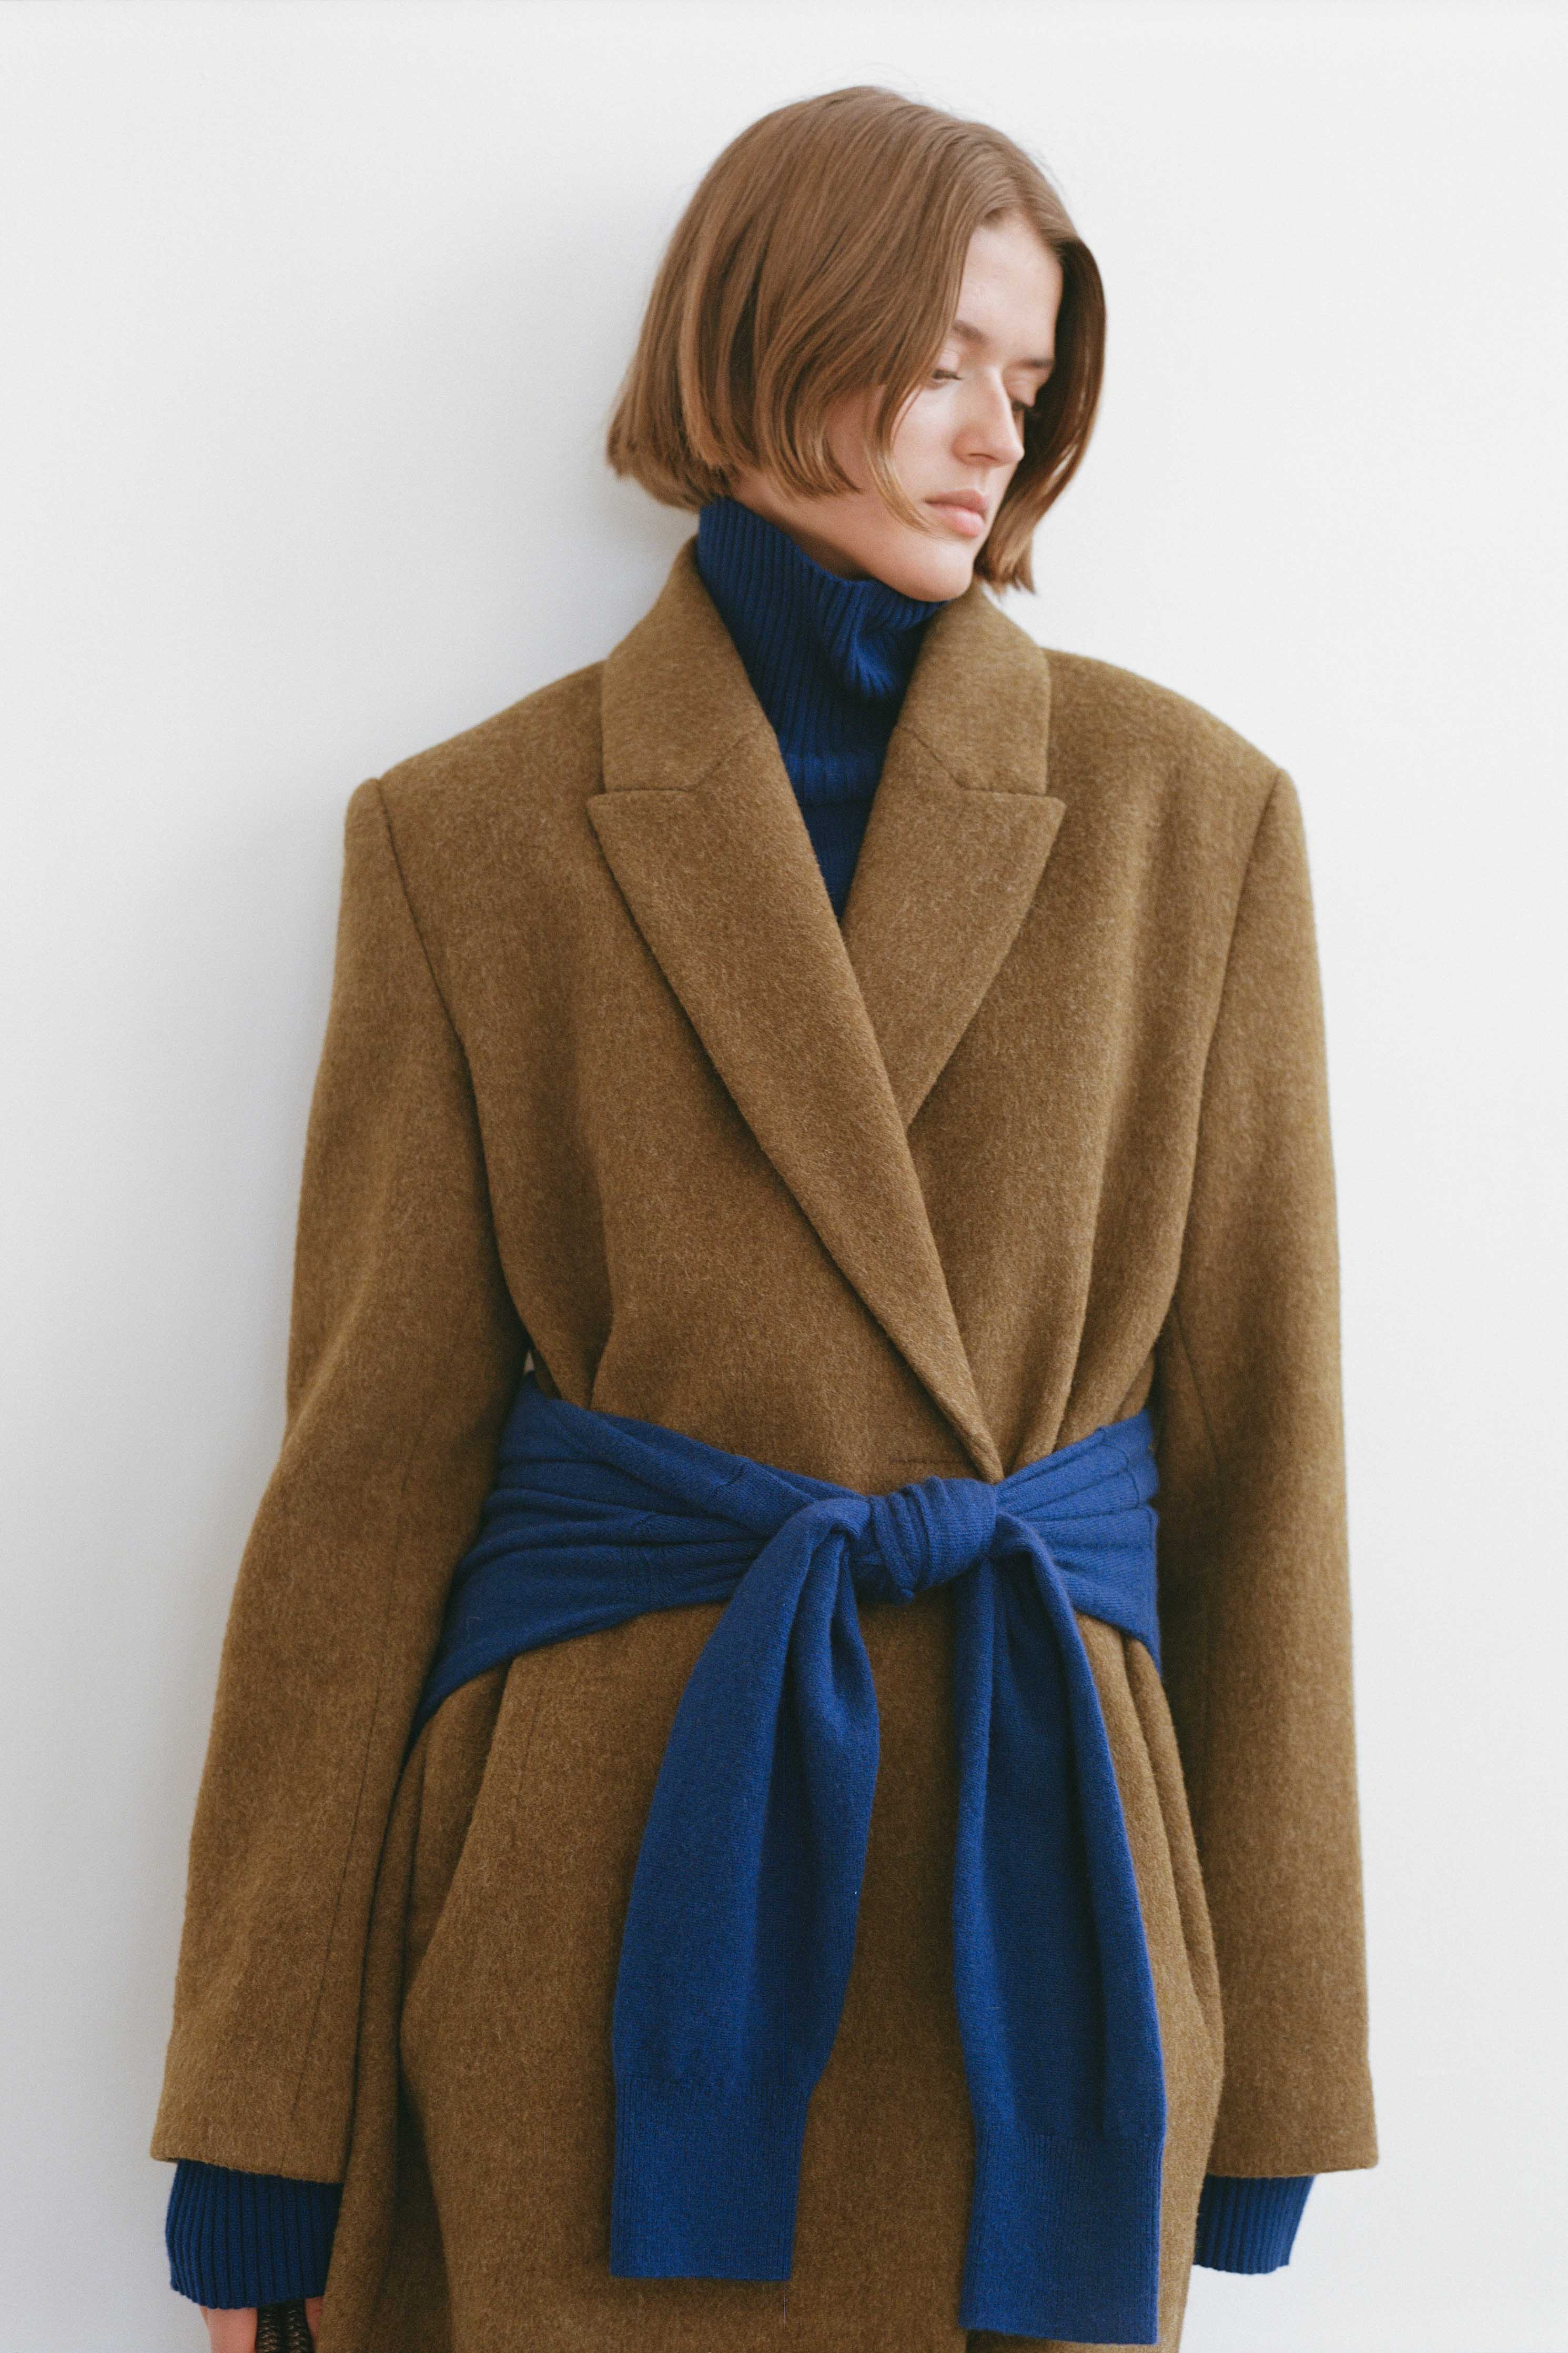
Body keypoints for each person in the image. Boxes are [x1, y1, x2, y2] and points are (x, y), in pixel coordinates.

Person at [152, 83, 1377, 2353]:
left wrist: (1280, 2063)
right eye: (939, 360)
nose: (995, 434)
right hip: (594, 1909)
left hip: (1035, 1928)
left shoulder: (1188, 821)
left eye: (1030, 381)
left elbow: (1264, 1462)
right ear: (766, 331)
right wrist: (260, 2137)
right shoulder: (469, 835)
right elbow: (363, 1493)